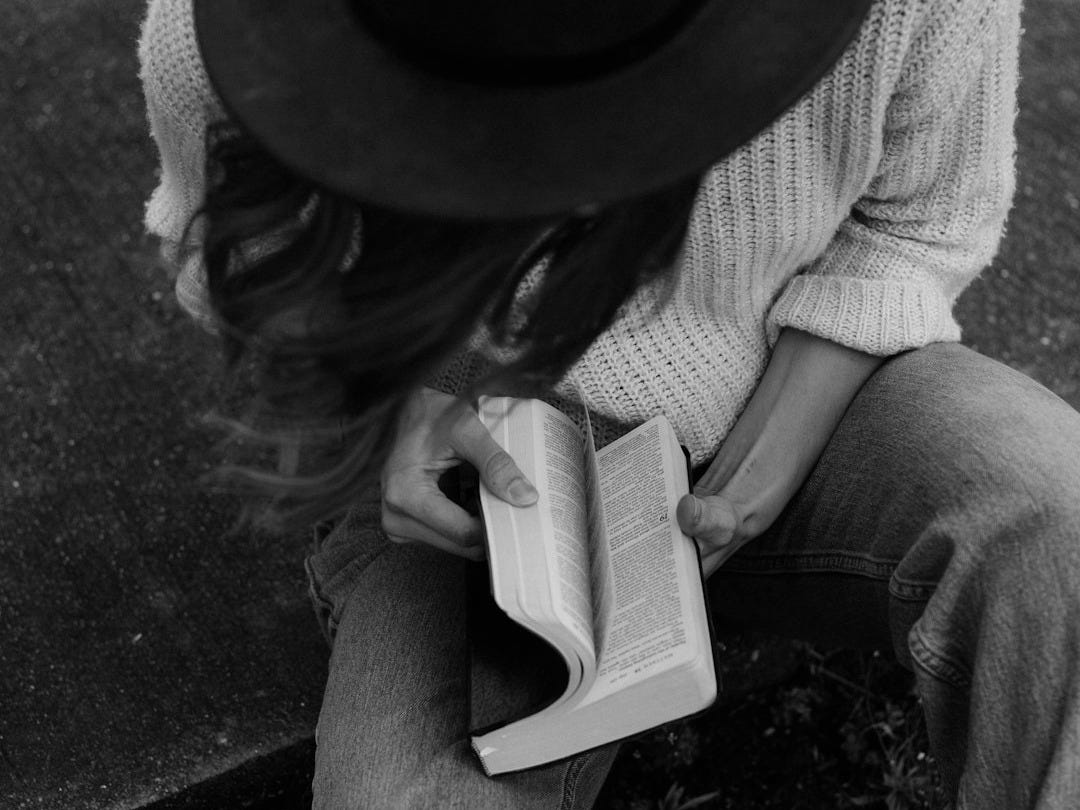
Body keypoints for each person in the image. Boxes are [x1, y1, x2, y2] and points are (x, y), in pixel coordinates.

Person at [139, 0, 1080, 807]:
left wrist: (755, 477)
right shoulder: (238, 43)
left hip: (810, 388)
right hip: (483, 480)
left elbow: (918, 220)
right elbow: (246, 262)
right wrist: (386, 409)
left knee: (1054, 513)